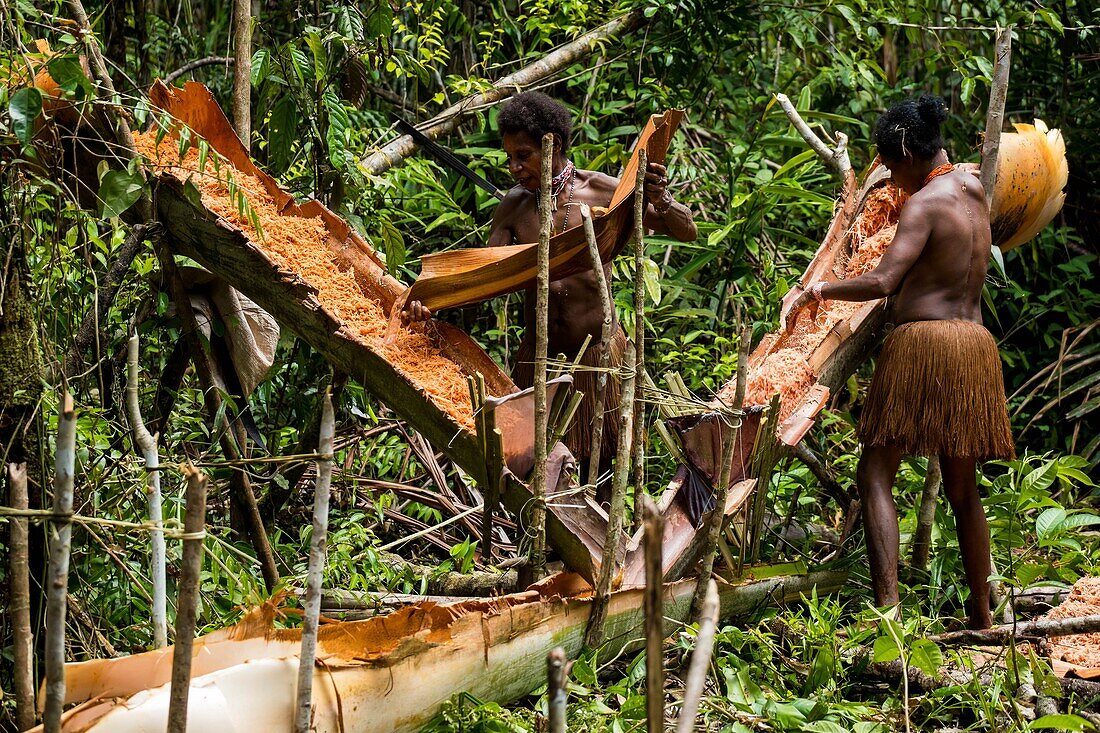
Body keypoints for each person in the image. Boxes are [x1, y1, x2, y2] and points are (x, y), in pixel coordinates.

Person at [783, 95, 1015, 629]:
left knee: (875, 472)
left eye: (891, 167)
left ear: (910, 152)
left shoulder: (923, 203)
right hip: (973, 345)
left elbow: (884, 281)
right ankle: (982, 616)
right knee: (962, 487)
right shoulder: (974, 189)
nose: (890, 180)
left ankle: (888, 612)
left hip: (925, 346)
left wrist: (815, 288)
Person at [403, 92, 697, 497]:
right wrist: (432, 300)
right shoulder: (514, 207)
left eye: (523, 156)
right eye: (509, 158)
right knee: (541, 472)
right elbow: (483, 276)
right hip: (539, 359)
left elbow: (686, 230)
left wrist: (660, 198)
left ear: (553, 144)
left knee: (604, 467)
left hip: (596, 360)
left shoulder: (603, 192)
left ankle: (601, 555)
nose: (514, 168)